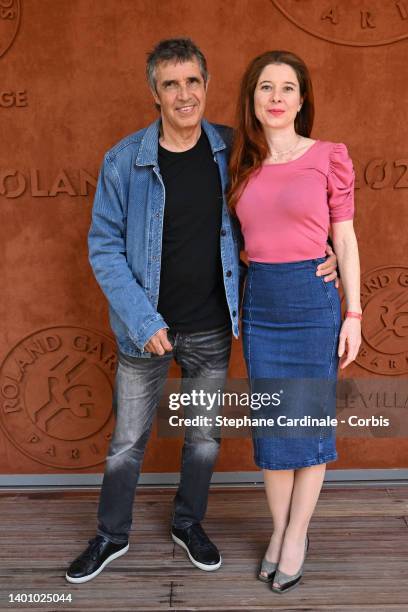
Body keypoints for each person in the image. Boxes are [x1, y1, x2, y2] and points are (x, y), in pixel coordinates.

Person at [65, 39, 338, 584]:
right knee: (126, 443)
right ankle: (111, 535)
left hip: (214, 326)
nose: (184, 94)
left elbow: (285, 209)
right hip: (147, 331)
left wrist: (322, 252)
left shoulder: (236, 150)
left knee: (204, 438)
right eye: (171, 84)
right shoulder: (124, 161)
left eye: (192, 81)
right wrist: (145, 322)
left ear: (206, 85)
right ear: (154, 93)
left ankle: (188, 524)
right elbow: (104, 247)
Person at [228, 50, 361, 594]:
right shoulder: (237, 161)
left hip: (313, 300)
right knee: (273, 427)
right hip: (261, 302)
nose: (276, 97)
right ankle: (278, 530)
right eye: (266, 87)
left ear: (302, 100)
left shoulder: (329, 156)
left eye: (287, 88)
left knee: (307, 424)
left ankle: (297, 536)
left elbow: (346, 241)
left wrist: (354, 312)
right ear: (252, 100)